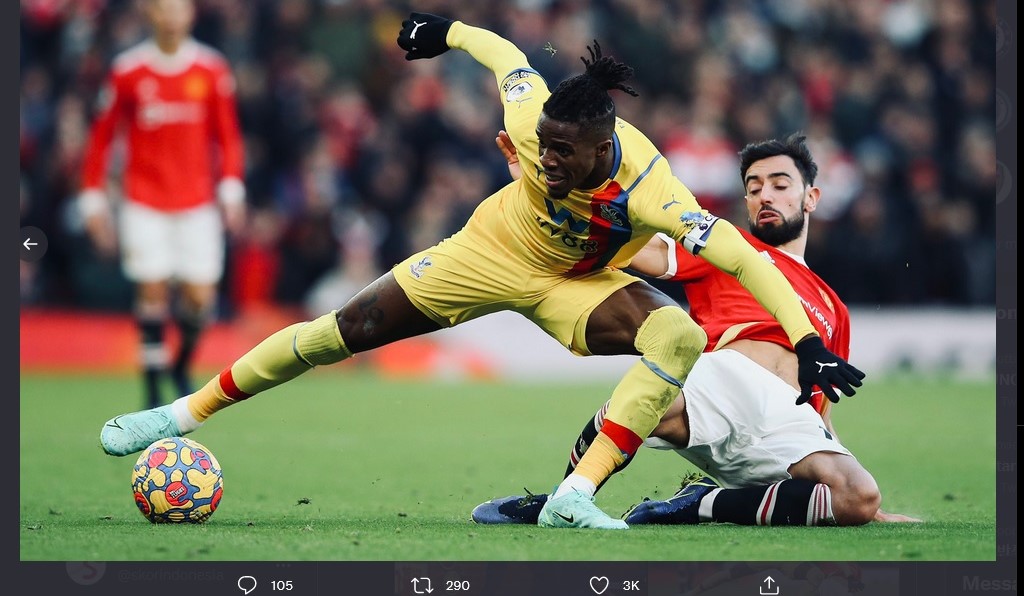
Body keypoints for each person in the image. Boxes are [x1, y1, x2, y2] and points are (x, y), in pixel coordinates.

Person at [99, 14, 863, 530]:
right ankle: (179, 414)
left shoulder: (653, 188)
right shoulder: (538, 120)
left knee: (676, 335)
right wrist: (448, 32)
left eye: (565, 154)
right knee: (341, 332)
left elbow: (740, 257)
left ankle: (574, 496)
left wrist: (805, 340)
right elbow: (508, 59)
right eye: (545, 148)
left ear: (604, 151)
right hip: (487, 253)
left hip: (575, 285)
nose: (547, 158)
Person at [473, 133, 920, 526]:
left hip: (789, 422)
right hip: (723, 382)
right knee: (635, 409)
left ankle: (702, 503)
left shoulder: (833, 308)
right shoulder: (726, 247)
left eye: (780, 186)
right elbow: (633, 249)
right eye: (754, 188)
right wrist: (542, 193)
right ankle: (561, 497)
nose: (765, 196)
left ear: (811, 197)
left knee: (856, 498)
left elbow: (821, 410)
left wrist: (850, 481)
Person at [79, 0, 246, 408]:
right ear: (150, 14)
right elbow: (101, 137)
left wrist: (231, 191)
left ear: (190, 14)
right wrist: (93, 198)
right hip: (145, 200)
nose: (171, 17)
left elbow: (227, 135)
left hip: (197, 202)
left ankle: (180, 363)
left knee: (199, 299)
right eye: (163, 9)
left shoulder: (211, 68)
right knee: (151, 290)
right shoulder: (128, 70)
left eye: (178, 9)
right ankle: (152, 390)